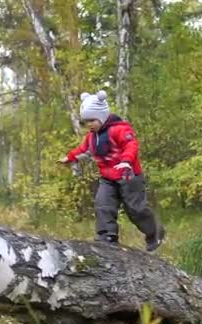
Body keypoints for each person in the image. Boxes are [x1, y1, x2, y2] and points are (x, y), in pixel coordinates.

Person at [58, 90, 165, 252]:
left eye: (92, 120)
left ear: (102, 116)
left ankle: (154, 232)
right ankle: (106, 236)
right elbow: (84, 150)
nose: (89, 124)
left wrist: (126, 161)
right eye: (87, 121)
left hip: (128, 175)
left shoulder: (119, 129)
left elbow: (131, 145)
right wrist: (70, 158)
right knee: (103, 204)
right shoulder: (92, 136)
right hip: (107, 178)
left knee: (135, 209)